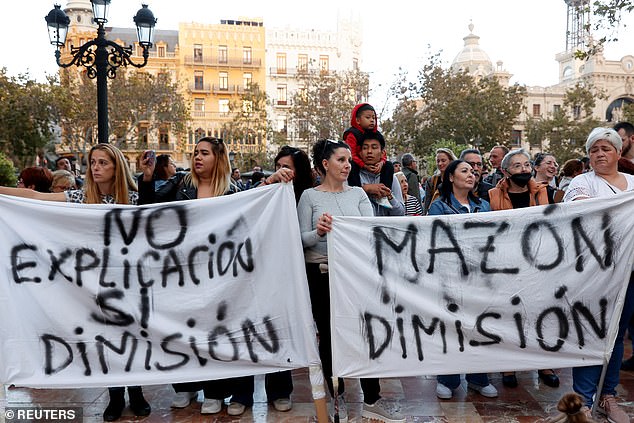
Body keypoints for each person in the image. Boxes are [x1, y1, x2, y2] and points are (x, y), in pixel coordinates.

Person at [0, 144, 150, 422]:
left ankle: (137, 392)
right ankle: (116, 396)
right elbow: (35, 196)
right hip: (96, 283)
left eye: (103, 162)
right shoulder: (83, 198)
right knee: (109, 338)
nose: (96, 167)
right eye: (93, 162)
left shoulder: (134, 199)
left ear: (117, 167)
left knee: (134, 335)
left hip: (131, 280)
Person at [298, 139, 405, 423]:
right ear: (325, 164)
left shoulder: (358, 194)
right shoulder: (309, 197)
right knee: (330, 339)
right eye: (341, 160)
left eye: (348, 160)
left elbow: (369, 233)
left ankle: (372, 400)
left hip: (355, 276)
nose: (347, 165)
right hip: (321, 276)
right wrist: (318, 232)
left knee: (365, 334)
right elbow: (300, 239)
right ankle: (338, 401)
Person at [138, 136, 239, 416]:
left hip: (216, 274)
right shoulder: (181, 184)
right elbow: (149, 210)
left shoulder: (231, 191)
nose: (197, 157)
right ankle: (185, 386)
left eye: (204, 153)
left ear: (218, 158)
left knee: (212, 332)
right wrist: (147, 178)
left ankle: (215, 391)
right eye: (195, 152)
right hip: (180, 271)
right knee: (181, 328)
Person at [228, 146, 313, 413]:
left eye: (286, 166)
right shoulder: (265, 190)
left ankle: (280, 390)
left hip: (287, 271)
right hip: (256, 269)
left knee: (279, 329)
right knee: (247, 328)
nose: (281, 170)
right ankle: (242, 395)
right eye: (278, 165)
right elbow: (246, 209)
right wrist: (269, 183)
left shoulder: (306, 197)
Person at [564, 127, 634, 423]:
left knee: (617, 335)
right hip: (594, 272)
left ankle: (608, 395)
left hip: (629, 272)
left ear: (619, 153)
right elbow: (583, 213)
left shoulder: (632, 183)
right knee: (589, 332)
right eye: (594, 150)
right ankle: (582, 400)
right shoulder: (582, 182)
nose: (600, 154)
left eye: (606, 148)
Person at [487, 149, 560, 389]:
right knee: (509, 314)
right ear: (505, 171)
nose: (523, 170)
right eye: (517, 166)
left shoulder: (544, 192)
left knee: (539, 312)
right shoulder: (492, 194)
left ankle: (544, 364)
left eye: (527, 164)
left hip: (538, 261)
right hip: (506, 262)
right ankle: (509, 366)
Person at [428, 160, 498, 401]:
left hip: (480, 277)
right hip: (450, 277)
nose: (471, 174)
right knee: (451, 327)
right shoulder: (438, 207)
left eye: (473, 171)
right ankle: (448, 379)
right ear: (450, 177)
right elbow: (435, 240)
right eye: (465, 171)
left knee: (480, 326)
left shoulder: (484, 206)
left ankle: (479, 379)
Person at [349, 131, 405, 216]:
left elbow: (400, 213)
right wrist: (364, 189)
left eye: (374, 147)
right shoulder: (351, 176)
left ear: (382, 153)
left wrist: (390, 197)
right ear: (360, 153)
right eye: (365, 148)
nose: (369, 151)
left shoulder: (391, 178)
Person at [343, 103, 394, 189]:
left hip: (372, 165)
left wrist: (381, 162)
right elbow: (351, 155)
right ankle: (357, 190)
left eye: (373, 118)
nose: (372, 120)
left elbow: (383, 153)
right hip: (357, 163)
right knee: (352, 165)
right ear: (358, 120)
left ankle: (384, 191)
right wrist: (364, 165)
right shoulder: (352, 134)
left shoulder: (376, 134)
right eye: (368, 117)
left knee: (388, 165)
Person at [422, 148, 457, 214]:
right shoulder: (432, 181)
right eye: (438, 161)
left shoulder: (458, 179)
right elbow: (427, 204)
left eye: (443, 161)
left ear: (451, 161)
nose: (440, 163)